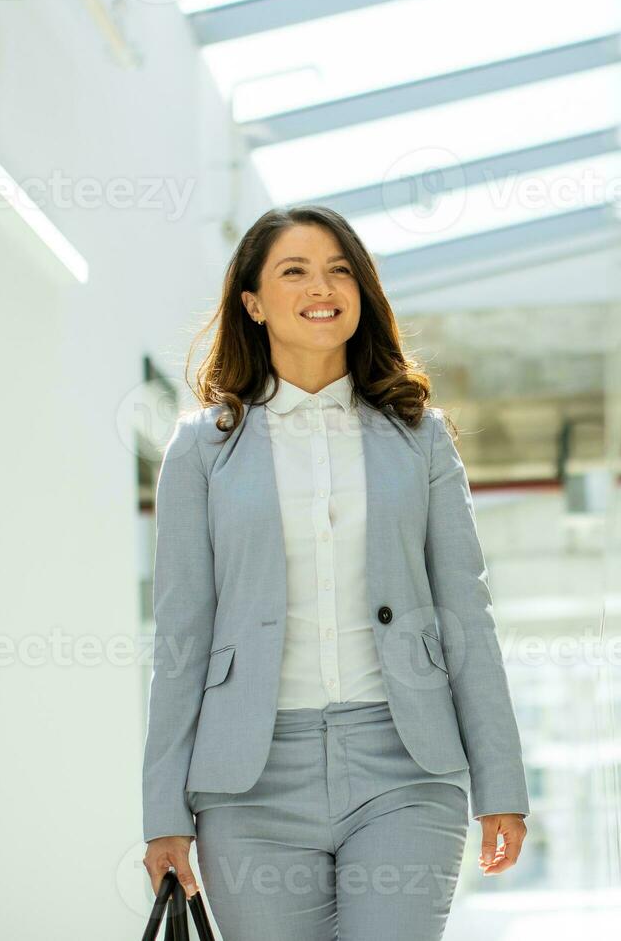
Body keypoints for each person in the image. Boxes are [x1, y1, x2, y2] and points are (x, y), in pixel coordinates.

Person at [141, 205, 530, 939]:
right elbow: (180, 636)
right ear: (252, 303)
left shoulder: (420, 438)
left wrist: (500, 784)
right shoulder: (201, 449)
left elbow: (466, 612)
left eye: (339, 269)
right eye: (295, 271)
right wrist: (163, 812)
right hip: (248, 786)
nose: (322, 286)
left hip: (405, 765)